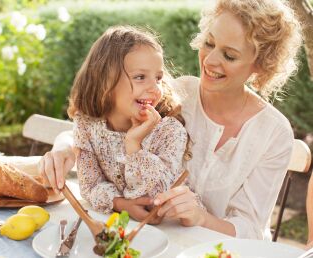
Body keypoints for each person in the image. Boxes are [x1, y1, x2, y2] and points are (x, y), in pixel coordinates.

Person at [39, 0, 302, 239]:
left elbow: (251, 230)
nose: (210, 60)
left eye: (229, 55)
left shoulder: (273, 132)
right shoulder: (178, 93)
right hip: (164, 242)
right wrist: (64, 147)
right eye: (209, 43)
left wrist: (201, 218)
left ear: (261, 64)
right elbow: (106, 130)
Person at [41, 25, 201, 220]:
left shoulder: (169, 131)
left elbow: (157, 194)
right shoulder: (88, 125)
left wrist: (134, 146)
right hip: (122, 227)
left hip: (175, 230)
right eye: (140, 77)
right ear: (105, 82)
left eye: (158, 78)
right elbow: (90, 185)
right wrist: (121, 204)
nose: (155, 88)